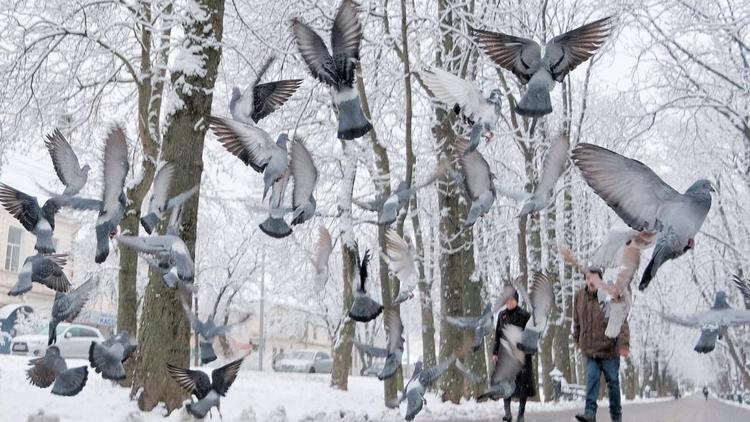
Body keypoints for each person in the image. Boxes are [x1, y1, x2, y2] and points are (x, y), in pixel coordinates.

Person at [574, 268, 630, 422]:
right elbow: (576, 321)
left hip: (609, 350)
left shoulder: (610, 295)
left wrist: (623, 344)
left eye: (593, 278)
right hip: (590, 350)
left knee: (613, 383)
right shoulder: (579, 296)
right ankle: (590, 413)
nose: (590, 281)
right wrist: (576, 339)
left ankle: (616, 416)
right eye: (587, 278)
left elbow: (622, 322)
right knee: (591, 380)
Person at [493, 288, 535, 422]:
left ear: (516, 300)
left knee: (523, 385)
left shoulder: (525, 315)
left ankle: (521, 415)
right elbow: (497, 335)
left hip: (521, 356)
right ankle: (508, 413)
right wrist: (495, 352)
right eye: (507, 300)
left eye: (512, 299)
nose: (509, 302)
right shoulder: (501, 315)